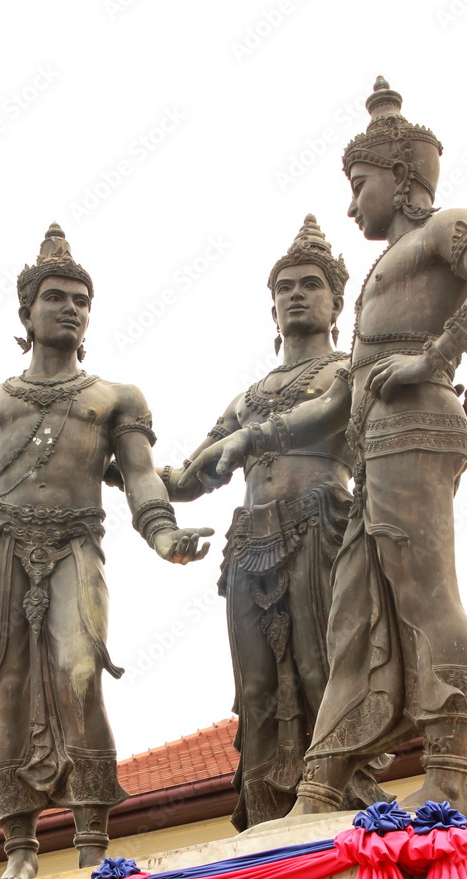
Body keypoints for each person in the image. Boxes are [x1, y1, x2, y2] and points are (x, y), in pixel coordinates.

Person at [182, 79, 467, 822]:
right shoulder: (386, 264)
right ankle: (319, 783)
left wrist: (440, 353)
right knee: (353, 617)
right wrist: (253, 436)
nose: (351, 205)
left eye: (359, 184)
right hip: (374, 445)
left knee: (423, 592)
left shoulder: (448, 227)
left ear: (401, 177)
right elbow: (342, 397)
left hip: (416, 428)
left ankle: (446, 770)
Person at [0, 223, 212, 878]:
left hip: (79, 539)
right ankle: (18, 848)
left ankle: (91, 842)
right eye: (56, 297)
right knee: (11, 683)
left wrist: (162, 533)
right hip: (2, 548)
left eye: (81, 300)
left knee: (80, 670)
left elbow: (139, 476)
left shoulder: (114, 398)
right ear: (27, 310)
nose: (71, 308)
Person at [147, 216, 391, 829]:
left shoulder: (348, 371)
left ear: (337, 301)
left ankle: (335, 799)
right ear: (272, 306)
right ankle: (263, 818)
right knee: (255, 689)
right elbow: (190, 475)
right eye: (283, 288)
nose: (295, 295)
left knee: (320, 669)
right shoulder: (249, 396)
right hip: (249, 542)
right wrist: (125, 462)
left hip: (320, 524)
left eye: (310, 284)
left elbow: (335, 423)